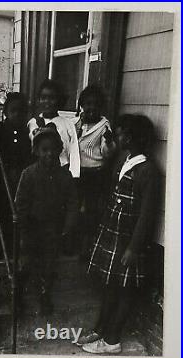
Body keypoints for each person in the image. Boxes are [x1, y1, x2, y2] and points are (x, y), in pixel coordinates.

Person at [76, 114, 159, 354]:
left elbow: (146, 214)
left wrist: (134, 247)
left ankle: (112, 340)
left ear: (132, 138)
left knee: (124, 289)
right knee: (109, 286)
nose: (118, 137)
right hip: (112, 232)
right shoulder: (124, 159)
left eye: (122, 134)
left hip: (128, 239)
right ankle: (101, 329)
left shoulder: (147, 170)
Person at [15, 124, 78, 315]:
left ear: (59, 151)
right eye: (44, 150)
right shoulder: (28, 174)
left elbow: (73, 203)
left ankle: (44, 296)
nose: (49, 154)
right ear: (36, 151)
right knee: (25, 263)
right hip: (32, 227)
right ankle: (17, 297)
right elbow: (21, 203)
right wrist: (23, 228)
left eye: (53, 150)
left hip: (54, 229)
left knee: (49, 265)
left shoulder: (64, 176)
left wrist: (67, 227)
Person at [0, 92, 32, 258]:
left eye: (21, 111)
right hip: (1, 184)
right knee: (0, 216)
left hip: (19, 182)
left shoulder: (27, 134)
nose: (17, 114)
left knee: (18, 217)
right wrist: (1, 173)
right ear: (6, 112)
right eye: (13, 111)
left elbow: (29, 157)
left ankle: (14, 251)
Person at [74, 85, 116, 258]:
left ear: (101, 107)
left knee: (90, 210)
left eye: (95, 104)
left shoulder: (104, 125)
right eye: (87, 104)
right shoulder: (78, 121)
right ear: (82, 105)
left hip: (95, 174)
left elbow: (107, 154)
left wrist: (108, 142)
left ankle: (87, 245)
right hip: (78, 172)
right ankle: (73, 242)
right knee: (75, 208)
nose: (91, 108)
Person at [28, 79, 80, 178]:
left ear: (59, 100)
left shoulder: (67, 124)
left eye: (52, 98)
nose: (47, 102)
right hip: (39, 173)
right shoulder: (33, 123)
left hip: (61, 173)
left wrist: (74, 175)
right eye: (43, 98)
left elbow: (73, 150)